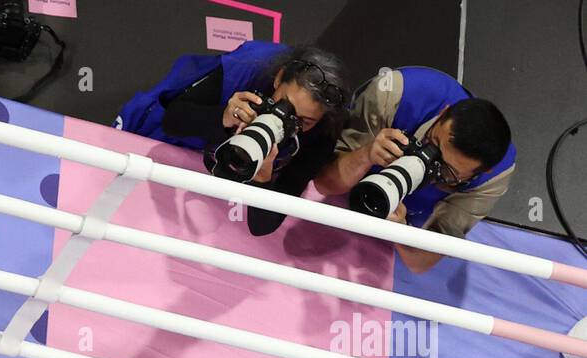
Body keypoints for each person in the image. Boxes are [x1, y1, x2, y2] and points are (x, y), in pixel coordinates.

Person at [116, 41, 350, 236]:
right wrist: (222, 118)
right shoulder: (248, 68)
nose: (285, 118)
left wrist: (263, 180)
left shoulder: (323, 133)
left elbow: (263, 225)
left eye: (304, 121)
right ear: (278, 78)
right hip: (167, 150)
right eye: (284, 103)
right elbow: (172, 121)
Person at [314, 67, 515, 274]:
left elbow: (421, 262)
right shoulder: (396, 94)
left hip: (412, 215)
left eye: (447, 171)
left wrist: (401, 233)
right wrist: (365, 154)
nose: (429, 162)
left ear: (484, 171)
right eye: (431, 144)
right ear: (442, 113)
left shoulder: (494, 178)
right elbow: (324, 184)